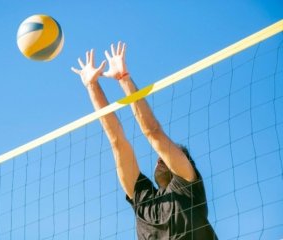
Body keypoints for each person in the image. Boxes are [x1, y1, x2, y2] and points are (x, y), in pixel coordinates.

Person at [71, 42, 218, 239]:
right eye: (159, 158)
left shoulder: (187, 186)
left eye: (164, 158)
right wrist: (92, 85)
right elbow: (116, 141)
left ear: (184, 162)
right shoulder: (143, 201)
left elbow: (153, 132)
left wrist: (124, 80)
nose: (158, 160)